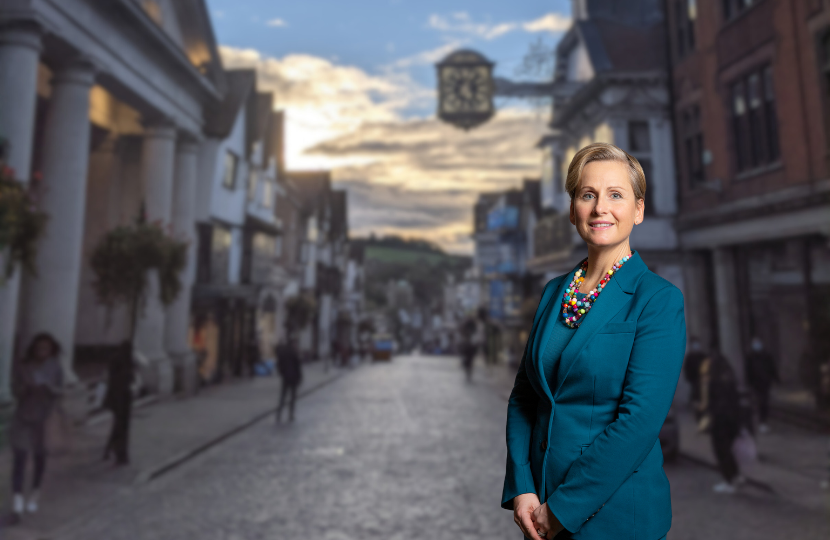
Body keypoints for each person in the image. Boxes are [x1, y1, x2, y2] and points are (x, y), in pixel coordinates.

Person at [502, 143, 686, 540]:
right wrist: (522, 487)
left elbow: (638, 422)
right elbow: (524, 398)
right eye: (588, 195)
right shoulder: (554, 292)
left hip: (615, 517)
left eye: (616, 195)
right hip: (540, 511)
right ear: (573, 210)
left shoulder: (657, 299)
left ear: (638, 209)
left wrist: (563, 509)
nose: (601, 207)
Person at [8, 333, 64, 521]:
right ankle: (17, 501)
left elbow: (61, 390)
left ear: (51, 350)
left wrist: (50, 389)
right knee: (20, 458)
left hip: (44, 419)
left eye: (46, 348)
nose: (42, 352)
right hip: (24, 418)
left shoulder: (55, 367)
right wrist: (26, 388)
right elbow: (15, 389)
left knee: (40, 458)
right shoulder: (24, 366)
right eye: (39, 348)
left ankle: (35, 492)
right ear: (33, 348)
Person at [700, 349, 744, 494]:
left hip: (720, 422)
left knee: (722, 451)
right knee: (728, 451)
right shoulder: (729, 378)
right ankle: (735, 476)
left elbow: (711, 403)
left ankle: (729, 480)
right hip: (732, 420)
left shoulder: (714, 381)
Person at [102, 341, 134, 465]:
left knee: (118, 427)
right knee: (121, 427)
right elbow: (127, 379)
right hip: (121, 398)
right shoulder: (124, 361)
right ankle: (120, 454)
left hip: (120, 398)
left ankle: (110, 450)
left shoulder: (120, 360)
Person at [744, 336, 779, 434]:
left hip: (765, 383)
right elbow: (748, 371)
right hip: (756, 383)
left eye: (758, 343)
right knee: (760, 402)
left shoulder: (767, 355)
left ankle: (763, 421)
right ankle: (761, 421)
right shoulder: (750, 357)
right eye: (755, 343)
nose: (757, 345)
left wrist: (776, 379)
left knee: (765, 402)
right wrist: (749, 383)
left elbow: (772, 367)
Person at [275, 333, 303, 423]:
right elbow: (298, 366)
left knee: (283, 397)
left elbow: (279, 364)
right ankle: (290, 414)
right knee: (291, 397)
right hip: (293, 377)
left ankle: (279, 414)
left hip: (286, 377)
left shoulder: (284, 351)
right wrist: (300, 377)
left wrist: (282, 373)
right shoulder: (294, 352)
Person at [683, 336, 707, 420]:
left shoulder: (703, 356)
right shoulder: (690, 357)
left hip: (703, 380)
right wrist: (690, 378)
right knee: (696, 396)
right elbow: (687, 368)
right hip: (694, 379)